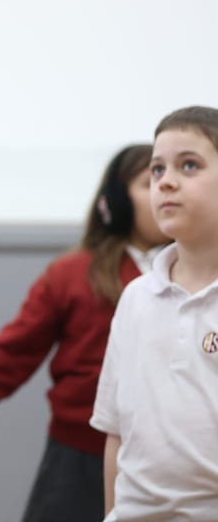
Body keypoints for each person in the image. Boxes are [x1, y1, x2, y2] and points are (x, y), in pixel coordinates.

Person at [0, 144, 165, 522]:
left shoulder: (193, 277)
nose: (165, 188)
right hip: (76, 462)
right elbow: (9, 357)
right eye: (150, 178)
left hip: (165, 462)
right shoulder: (72, 274)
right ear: (117, 200)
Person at [92, 108, 218, 520]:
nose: (165, 181)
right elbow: (116, 433)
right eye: (157, 169)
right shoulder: (135, 298)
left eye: (189, 165)